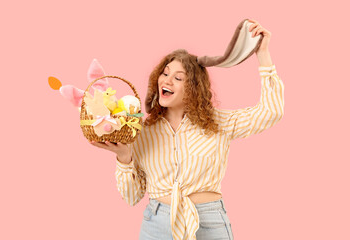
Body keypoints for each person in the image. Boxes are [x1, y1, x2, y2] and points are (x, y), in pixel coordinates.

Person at [90, 19, 284, 240]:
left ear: (192, 88)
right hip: (156, 223)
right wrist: (124, 158)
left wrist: (263, 54)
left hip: (208, 221)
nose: (167, 80)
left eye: (178, 78)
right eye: (165, 73)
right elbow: (132, 197)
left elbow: (271, 112)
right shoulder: (141, 131)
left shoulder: (218, 123)